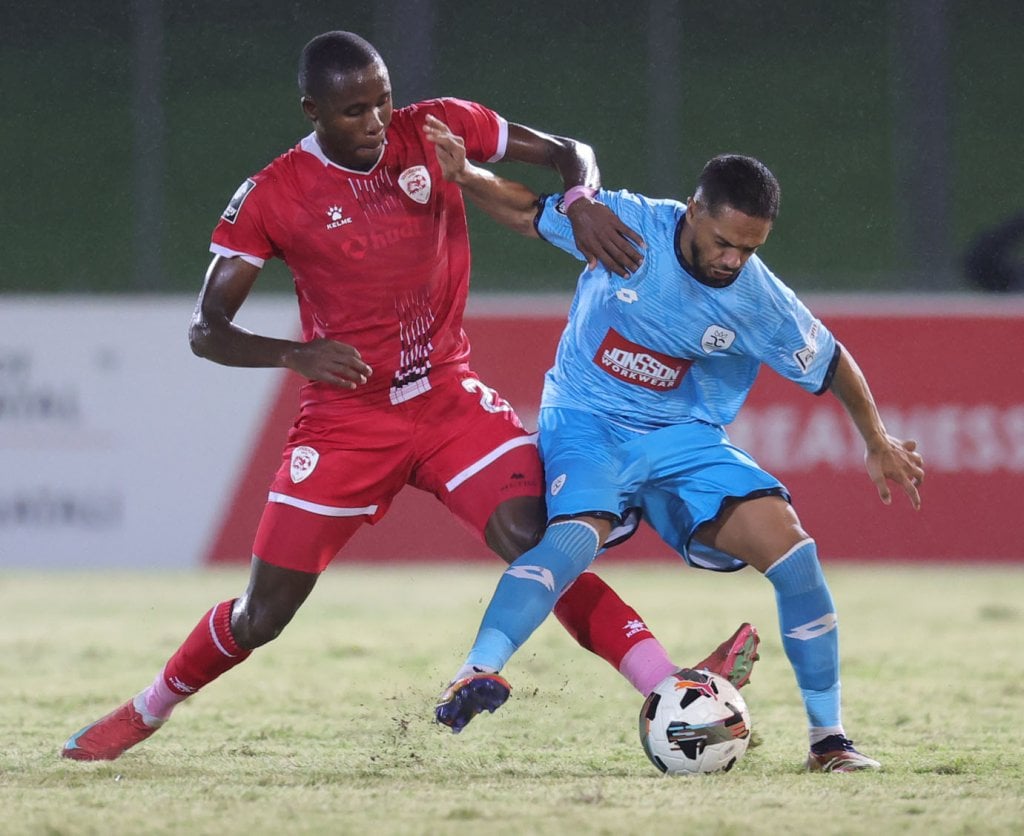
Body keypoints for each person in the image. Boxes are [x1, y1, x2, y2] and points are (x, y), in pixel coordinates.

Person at [60, 31, 760, 761]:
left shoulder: (435, 129)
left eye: (382, 100)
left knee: (541, 545)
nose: (374, 121)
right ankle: (147, 710)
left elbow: (566, 149)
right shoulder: (275, 193)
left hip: (449, 402)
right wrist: (296, 353)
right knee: (262, 614)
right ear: (312, 110)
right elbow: (207, 329)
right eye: (354, 110)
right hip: (346, 423)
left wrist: (580, 199)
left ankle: (670, 685)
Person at [426, 118, 925, 772]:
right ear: (693, 211)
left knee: (795, 553)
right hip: (586, 420)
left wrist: (878, 439)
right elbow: (527, 213)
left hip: (683, 440)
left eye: (748, 250)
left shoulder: (757, 297)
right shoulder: (627, 226)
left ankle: (829, 742)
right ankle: (477, 671)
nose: (732, 261)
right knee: (574, 538)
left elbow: (831, 361)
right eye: (724, 243)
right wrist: (466, 176)